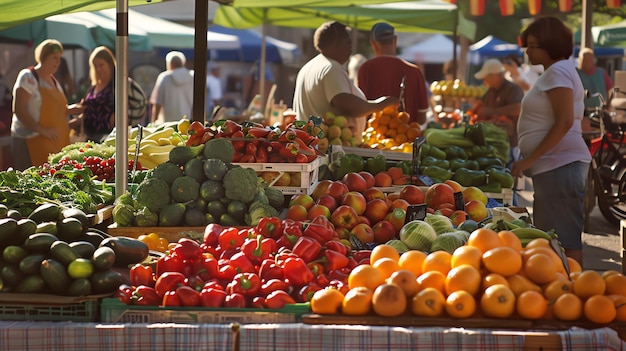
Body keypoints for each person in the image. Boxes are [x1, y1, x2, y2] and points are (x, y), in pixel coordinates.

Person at [511, 16, 591, 265]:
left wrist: (528, 161)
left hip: (560, 166)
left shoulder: (557, 71)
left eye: (533, 45)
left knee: (562, 240)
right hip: (557, 167)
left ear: (551, 46)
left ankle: (571, 292)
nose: (527, 51)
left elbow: (565, 121)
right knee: (555, 238)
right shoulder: (558, 71)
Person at [292, 21, 398, 138]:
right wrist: (381, 104)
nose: (350, 45)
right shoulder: (331, 69)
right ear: (334, 44)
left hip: (314, 145)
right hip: (329, 149)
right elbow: (348, 105)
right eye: (347, 41)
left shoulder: (310, 66)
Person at [10, 39, 83, 169]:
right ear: (44, 56)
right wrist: (42, 130)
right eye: (54, 57)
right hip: (29, 142)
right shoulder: (28, 77)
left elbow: (58, 110)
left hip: (52, 145)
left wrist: (73, 110)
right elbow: (19, 109)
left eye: (59, 58)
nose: (58, 62)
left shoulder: (53, 81)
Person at [357, 22, 429, 125]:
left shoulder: (365, 69)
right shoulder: (415, 72)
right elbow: (422, 118)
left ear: (373, 44)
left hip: (373, 137)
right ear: (395, 40)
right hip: (407, 138)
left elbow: (360, 109)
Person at [470, 58, 524, 160]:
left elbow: (518, 108)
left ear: (494, 75)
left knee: (508, 169)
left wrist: (492, 111)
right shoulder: (491, 90)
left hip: (510, 144)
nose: (484, 80)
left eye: (485, 77)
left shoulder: (513, 89)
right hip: (494, 142)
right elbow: (481, 104)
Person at [69, 46, 115, 143]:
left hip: (107, 137)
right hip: (88, 137)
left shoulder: (117, 86)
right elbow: (85, 112)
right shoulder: (93, 88)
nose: (98, 69)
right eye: (95, 65)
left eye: (101, 65)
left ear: (110, 64)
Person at [150, 51, 194, 124]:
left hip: (168, 122)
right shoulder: (192, 76)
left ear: (170, 64)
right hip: (187, 120)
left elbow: (157, 102)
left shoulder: (164, 77)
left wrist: (153, 121)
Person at [577, 47, 614, 112]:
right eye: (585, 60)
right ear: (580, 60)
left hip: (600, 111)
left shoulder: (601, 72)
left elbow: (611, 90)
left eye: (589, 59)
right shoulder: (576, 73)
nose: (587, 62)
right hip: (582, 112)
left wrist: (608, 105)